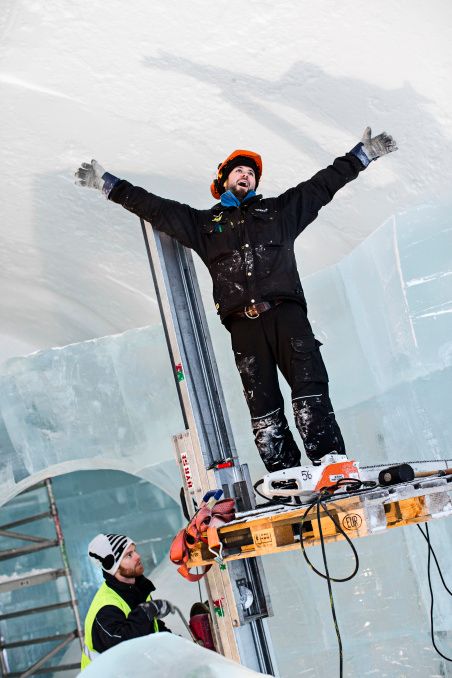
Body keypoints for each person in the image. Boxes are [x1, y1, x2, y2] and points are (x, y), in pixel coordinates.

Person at [75, 128, 397, 472]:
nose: (245, 175)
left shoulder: (280, 212)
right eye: (238, 171)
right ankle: (286, 477)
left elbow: (322, 186)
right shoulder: (203, 225)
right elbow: (156, 208)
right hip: (244, 327)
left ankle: (330, 463)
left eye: (251, 173)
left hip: (286, 316)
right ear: (223, 180)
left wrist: (363, 154)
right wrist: (107, 184)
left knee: (310, 390)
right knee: (263, 407)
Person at [81, 533, 173, 670]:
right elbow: (122, 643)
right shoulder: (106, 607)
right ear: (113, 566)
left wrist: (176, 644)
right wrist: (144, 612)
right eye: (129, 555)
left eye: (134, 551)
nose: (138, 556)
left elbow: (151, 627)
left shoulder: (137, 589)